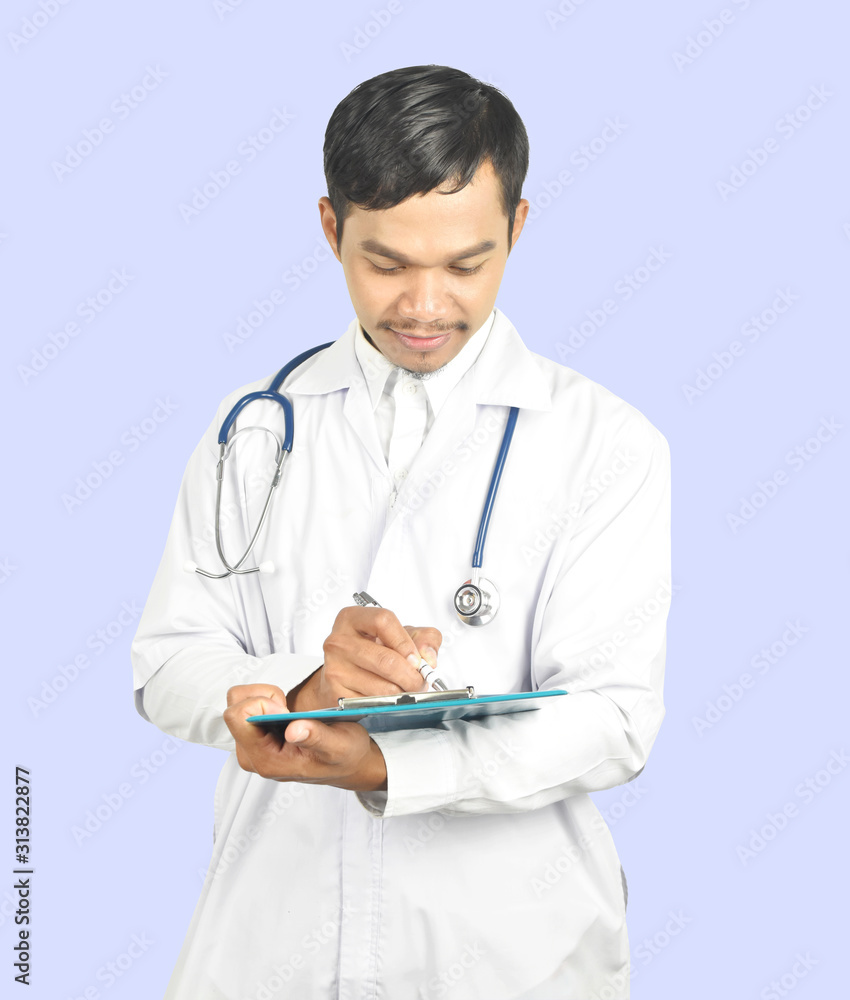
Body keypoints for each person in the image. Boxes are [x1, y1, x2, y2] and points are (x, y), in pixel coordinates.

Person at [131, 64, 671, 1000]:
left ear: (519, 230)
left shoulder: (607, 445)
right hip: (270, 945)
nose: (424, 305)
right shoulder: (254, 429)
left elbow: (614, 721)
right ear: (333, 228)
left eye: (466, 264)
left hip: (512, 954)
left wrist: (387, 760)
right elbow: (168, 662)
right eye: (385, 263)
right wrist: (296, 693)